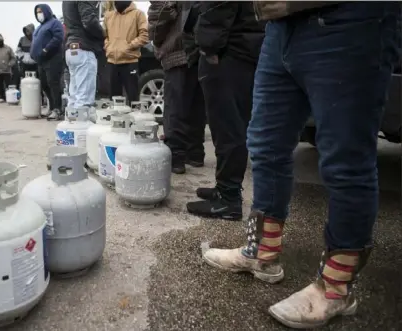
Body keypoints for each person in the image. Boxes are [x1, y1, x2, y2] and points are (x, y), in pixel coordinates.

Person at [202, 2, 400, 329]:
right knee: (265, 144)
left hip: (349, 18)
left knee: (345, 159)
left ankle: (336, 288)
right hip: (280, 25)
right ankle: (261, 252)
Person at [185, 2, 265, 220]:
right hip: (240, 48)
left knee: (228, 126)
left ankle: (228, 199)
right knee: (227, 125)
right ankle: (225, 188)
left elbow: (218, 6)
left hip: (230, 52)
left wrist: (207, 46)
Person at [148, 1, 206, 175]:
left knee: (175, 106)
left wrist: (158, 42)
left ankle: (176, 157)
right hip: (199, 51)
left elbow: (158, 23)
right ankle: (195, 153)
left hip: (176, 51)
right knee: (197, 104)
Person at [62, 1, 104, 116]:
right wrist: (103, 34)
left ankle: (71, 127)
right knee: (84, 99)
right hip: (83, 48)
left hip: (71, 48)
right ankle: (81, 131)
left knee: (74, 96)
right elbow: (89, 22)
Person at [103, 1, 148, 103]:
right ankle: (115, 119)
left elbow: (144, 35)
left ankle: (135, 117)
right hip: (112, 62)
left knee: (133, 98)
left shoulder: (138, 14)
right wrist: (108, 46)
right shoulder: (109, 16)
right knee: (113, 99)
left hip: (130, 61)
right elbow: (105, 36)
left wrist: (128, 46)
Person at [30, 4, 65, 120]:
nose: (38, 14)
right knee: (44, 84)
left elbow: (58, 37)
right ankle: (51, 107)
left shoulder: (55, 23)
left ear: (46, 11)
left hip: (53, 58)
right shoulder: (39, 27)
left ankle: (58, 109)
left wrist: (46, 49)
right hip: (41, 61)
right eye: (37, 12)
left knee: (53, 83)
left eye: (40, 11)